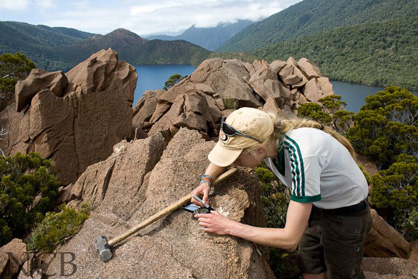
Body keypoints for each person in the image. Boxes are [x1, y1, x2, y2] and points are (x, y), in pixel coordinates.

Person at [191, 107, 372, 279]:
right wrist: (207, 180)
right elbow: (226, 155)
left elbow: (290, 239)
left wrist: (229, 226)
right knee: (309, 264)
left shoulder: (303, 155)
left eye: (237, 158)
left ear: (259, 151)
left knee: (342, 273)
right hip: (315, 205)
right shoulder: (267, 139)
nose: (233, 164)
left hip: (347, 214)